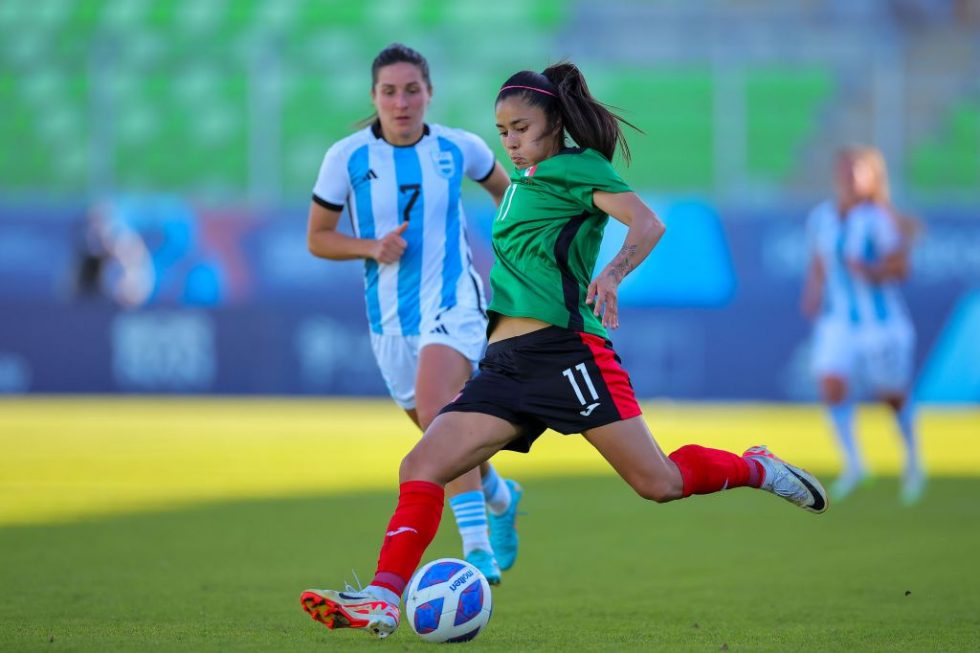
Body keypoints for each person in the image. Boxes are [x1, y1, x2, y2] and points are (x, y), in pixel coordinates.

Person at [299, 61, 829, 639]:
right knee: (421, 464)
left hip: (567, 355)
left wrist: (614, 274)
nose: (511, 141)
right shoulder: (518, 186)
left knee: (659, 483)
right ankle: (381, 598)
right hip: (504, 367)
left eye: (521, 128)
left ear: (554, 123)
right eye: (503, 131)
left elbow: (647, 224)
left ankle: (756, 467)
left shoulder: (580, 167)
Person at [305, 43, 522, 585]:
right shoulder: (347, 158)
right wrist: (371, 247)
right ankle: (497, 493)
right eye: (389, 91)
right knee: (437, 432)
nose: (401, 102)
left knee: (439, 410)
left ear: (429, 94)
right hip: (389, 320)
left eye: (411, 90)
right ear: (374, 97)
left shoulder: (458, 148)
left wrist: (523, 256)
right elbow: (318, 239)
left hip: (454, 302)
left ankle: (476, 550)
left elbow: (511, 197)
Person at [801, 146, 924, 504]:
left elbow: (902, 268)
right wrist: (813, 293)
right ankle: (855, 465)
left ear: (873, 177)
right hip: (838, 320)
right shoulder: (822, 216)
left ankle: (913, 461)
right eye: (847, 169)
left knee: (891, 395)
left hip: (880, 322)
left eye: (859, 170)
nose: (851, 176)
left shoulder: (878, 218)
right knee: (830, 382)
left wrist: (872, 271)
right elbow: (819, 261)